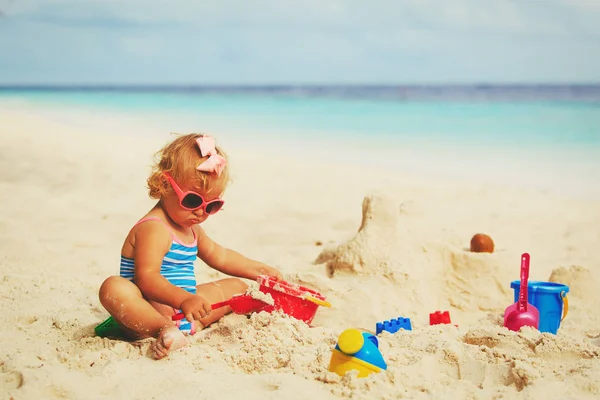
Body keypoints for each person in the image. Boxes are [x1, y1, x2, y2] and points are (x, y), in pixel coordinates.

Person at [97, 133, 283, 359]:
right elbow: (147, 279)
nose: (200, 212)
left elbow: (221, 256)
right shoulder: (154, 228)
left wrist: (262, 272)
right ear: (165, 184)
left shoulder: (192, 229)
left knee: (236, 286)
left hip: (186, 311)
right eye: (193, 201)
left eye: (211, 206)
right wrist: (184, 300)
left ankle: (185, 329)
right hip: (147, 314)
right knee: (114, 287)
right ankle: (163, 330)